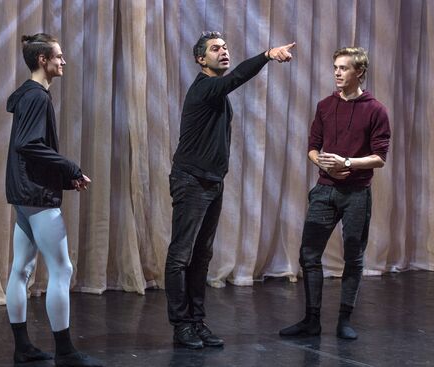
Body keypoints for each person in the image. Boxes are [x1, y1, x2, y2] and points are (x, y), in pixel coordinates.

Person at [165, 31, 295, 349]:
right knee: (181, 256)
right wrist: (266, 55)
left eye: (225, 47)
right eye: (215, 49)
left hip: (211, 181)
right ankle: (181, 325)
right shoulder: (206, 87)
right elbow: (236, 78)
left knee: (202, 256)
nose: (223, 52)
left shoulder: (217, 93)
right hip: (192, 181)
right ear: (200, 59)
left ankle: (197, 322)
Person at [279, 47, 391, 340]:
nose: (337, 73)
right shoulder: (325, 105)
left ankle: (344, 320)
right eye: (335, 67)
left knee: (353, 257)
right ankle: (311, 320)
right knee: (309, 255)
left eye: (344, 68)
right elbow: (312, 148)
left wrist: (348, 163)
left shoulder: (375, 109)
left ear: (360, 73)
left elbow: (380, 156)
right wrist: (326, 165)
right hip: (325, 191)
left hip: (356, 194)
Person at [5, 33, 102, 366]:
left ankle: (23, 348)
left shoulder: (29, 96)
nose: (63, 62)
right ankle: (65, 352)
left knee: (21, 269)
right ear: (43, 60)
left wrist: (64, 177)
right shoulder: (37, 98)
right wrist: (71, 166)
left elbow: (30, 149)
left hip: (24, 194)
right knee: (62, 269)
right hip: (36, 196)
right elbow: (29, 145)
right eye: (59, 57)